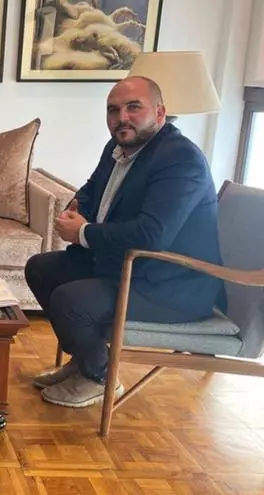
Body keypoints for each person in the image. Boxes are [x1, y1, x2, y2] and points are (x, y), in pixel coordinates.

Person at [24, 76, 224, 408]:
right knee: (41, 268)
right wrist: (76, 208)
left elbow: (152, 234)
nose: (122, 118)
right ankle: (86, 359)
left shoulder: (180, 159)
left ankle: (99, 376)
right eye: (113, 110)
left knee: (71, 301)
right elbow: (92, 189)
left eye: (133, 107)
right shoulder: (117, 148)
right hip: (126, 267)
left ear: (160, 113)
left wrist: (84, 232)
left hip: (169, 284)